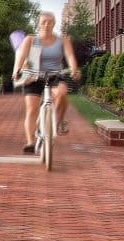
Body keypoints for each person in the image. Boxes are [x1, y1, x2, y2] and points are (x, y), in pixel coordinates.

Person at [11, 11, 80, 153]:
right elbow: (22, 55)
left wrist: (74, 69)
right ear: (38, 24)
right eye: (43, 22)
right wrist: (16, 70)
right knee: (31, 109)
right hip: (33, 76)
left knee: (62, 94)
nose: (46, 24)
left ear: (54, 24)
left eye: (49, 22)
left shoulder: (63, 40)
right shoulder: (30, 39)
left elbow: (70, 55)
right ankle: (30, 141)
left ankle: (58, 121)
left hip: (55, 75)